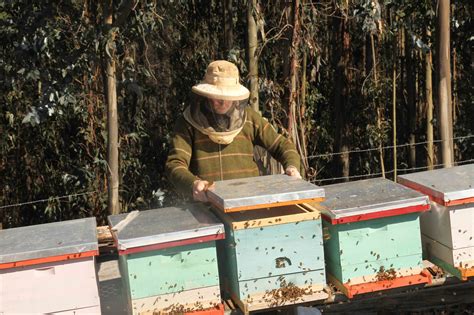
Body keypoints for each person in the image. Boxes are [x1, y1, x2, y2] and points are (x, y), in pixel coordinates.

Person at [165, 60, 302, 202]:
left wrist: (292, 167)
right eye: (218, 97)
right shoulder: (188, 122)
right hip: (206, 207)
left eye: (227, 97)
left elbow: (282, 145)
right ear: (207, 94)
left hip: (249, 202)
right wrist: (192, 184)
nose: (223, 102)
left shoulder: (250, 118)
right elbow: (175, 164)